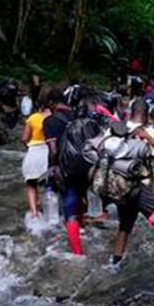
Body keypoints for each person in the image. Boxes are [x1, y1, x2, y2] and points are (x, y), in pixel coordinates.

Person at [108, 105, 154, 281]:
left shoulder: (119, 131)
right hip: (143, 188)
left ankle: (114, 265)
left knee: (125, 226)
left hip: (120, 186)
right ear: (148, 117)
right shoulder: (150, 134)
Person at [43, 92, 89, 255]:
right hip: (84, 166)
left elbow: (53, 149)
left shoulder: (50, 121)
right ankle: (82, 228)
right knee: (82, 197)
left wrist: (54, 167)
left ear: (51, 104)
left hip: (65, 168)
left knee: (69, 209)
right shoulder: (79, 116)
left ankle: (77, 253)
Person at [21, 101, 50, 219]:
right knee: (50, 184)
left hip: (34, 151)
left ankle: (34, 213)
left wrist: (28, 146)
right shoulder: (53, 118)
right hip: (48, 152)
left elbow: (24, 138)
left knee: (31, 184)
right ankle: (53, 211)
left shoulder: (33, 118)